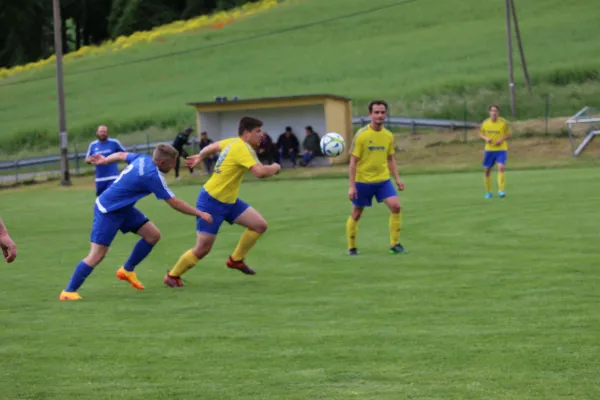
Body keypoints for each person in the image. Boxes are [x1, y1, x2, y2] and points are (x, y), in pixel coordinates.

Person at [59, 144, 212, 301]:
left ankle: (127, 270)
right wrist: (199, 213)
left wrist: (105, 160)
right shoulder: (152, 175)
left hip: (123, 208)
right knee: (97, 255)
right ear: (162, 163)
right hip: (108, 210)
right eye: (173, 163)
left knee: (152, 235)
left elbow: (120, 155)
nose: (174, 167)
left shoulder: (143, 158)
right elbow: (174, 203)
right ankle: (68, 291)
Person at [164, 117, 281, 287]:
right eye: (258, 131)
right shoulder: (242, 147)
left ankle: (236, 260)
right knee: (203, 248)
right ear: (246, 133)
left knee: (259, 225)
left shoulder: (233, 142)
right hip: (212, 201)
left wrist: (200, 156)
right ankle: (172, 276)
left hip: (229, 201)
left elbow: (213, 146)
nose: (261, 135)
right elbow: (260, 172)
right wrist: (275, 167)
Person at [346, 100, 406, 256]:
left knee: (396, 206)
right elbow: (353, 162)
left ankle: (395, 244)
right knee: (356, 214)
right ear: (370, 114)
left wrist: (397, 178)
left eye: (382, 112)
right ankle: (352, 248)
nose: (380, 115)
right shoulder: (361, 135)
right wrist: (352, 186)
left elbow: (391, 158)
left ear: (386, 114)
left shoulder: (388, 135)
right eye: (376, 112)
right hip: (363, 181)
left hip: (383, 181)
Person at [480, 104, 511, 199]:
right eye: (492, 111)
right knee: (487, 171)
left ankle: (501, 191)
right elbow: (481, 134)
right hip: (489, 150)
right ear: (489, 112)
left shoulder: (503, 123)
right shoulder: (485, 123)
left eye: (496, 111)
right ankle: (488, 192)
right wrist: (486, 138)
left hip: (501, 149)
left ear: (498, 112)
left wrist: (501, 139)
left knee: (501, 167)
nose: (494, 113)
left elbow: (508, 134)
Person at [86, 125, 126, 196]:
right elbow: (87, 159)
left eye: (104, 132)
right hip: (100, 178)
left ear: (107, 133)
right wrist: (90, 160)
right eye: (101, 132)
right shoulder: (93, 145)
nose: (102, 133)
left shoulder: (114, 143)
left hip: (112, 177)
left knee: (113, 197)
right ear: (97, 133)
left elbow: (125, 154)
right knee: (101, 200)